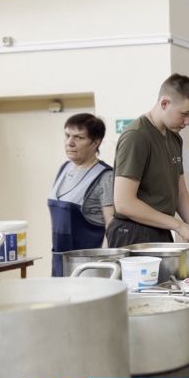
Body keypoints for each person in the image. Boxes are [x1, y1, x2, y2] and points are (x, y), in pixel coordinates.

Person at [108, 73, 189, 248]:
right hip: (132, 233)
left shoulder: (174, 138)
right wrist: (178, 225)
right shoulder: (136, 137)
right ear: (164, 103)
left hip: (160, 230)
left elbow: (181, 194)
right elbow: (124, 203)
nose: (187, 122)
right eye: (184, 114)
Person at [48, 113, 114, 277]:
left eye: (79, 137)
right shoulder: (64, 169)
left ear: (95, 142)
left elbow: (112, 226)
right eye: (67, 135)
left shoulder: (105, 177)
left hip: (88, 268)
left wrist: (107, 265)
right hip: (59, 261)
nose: (70, 143)